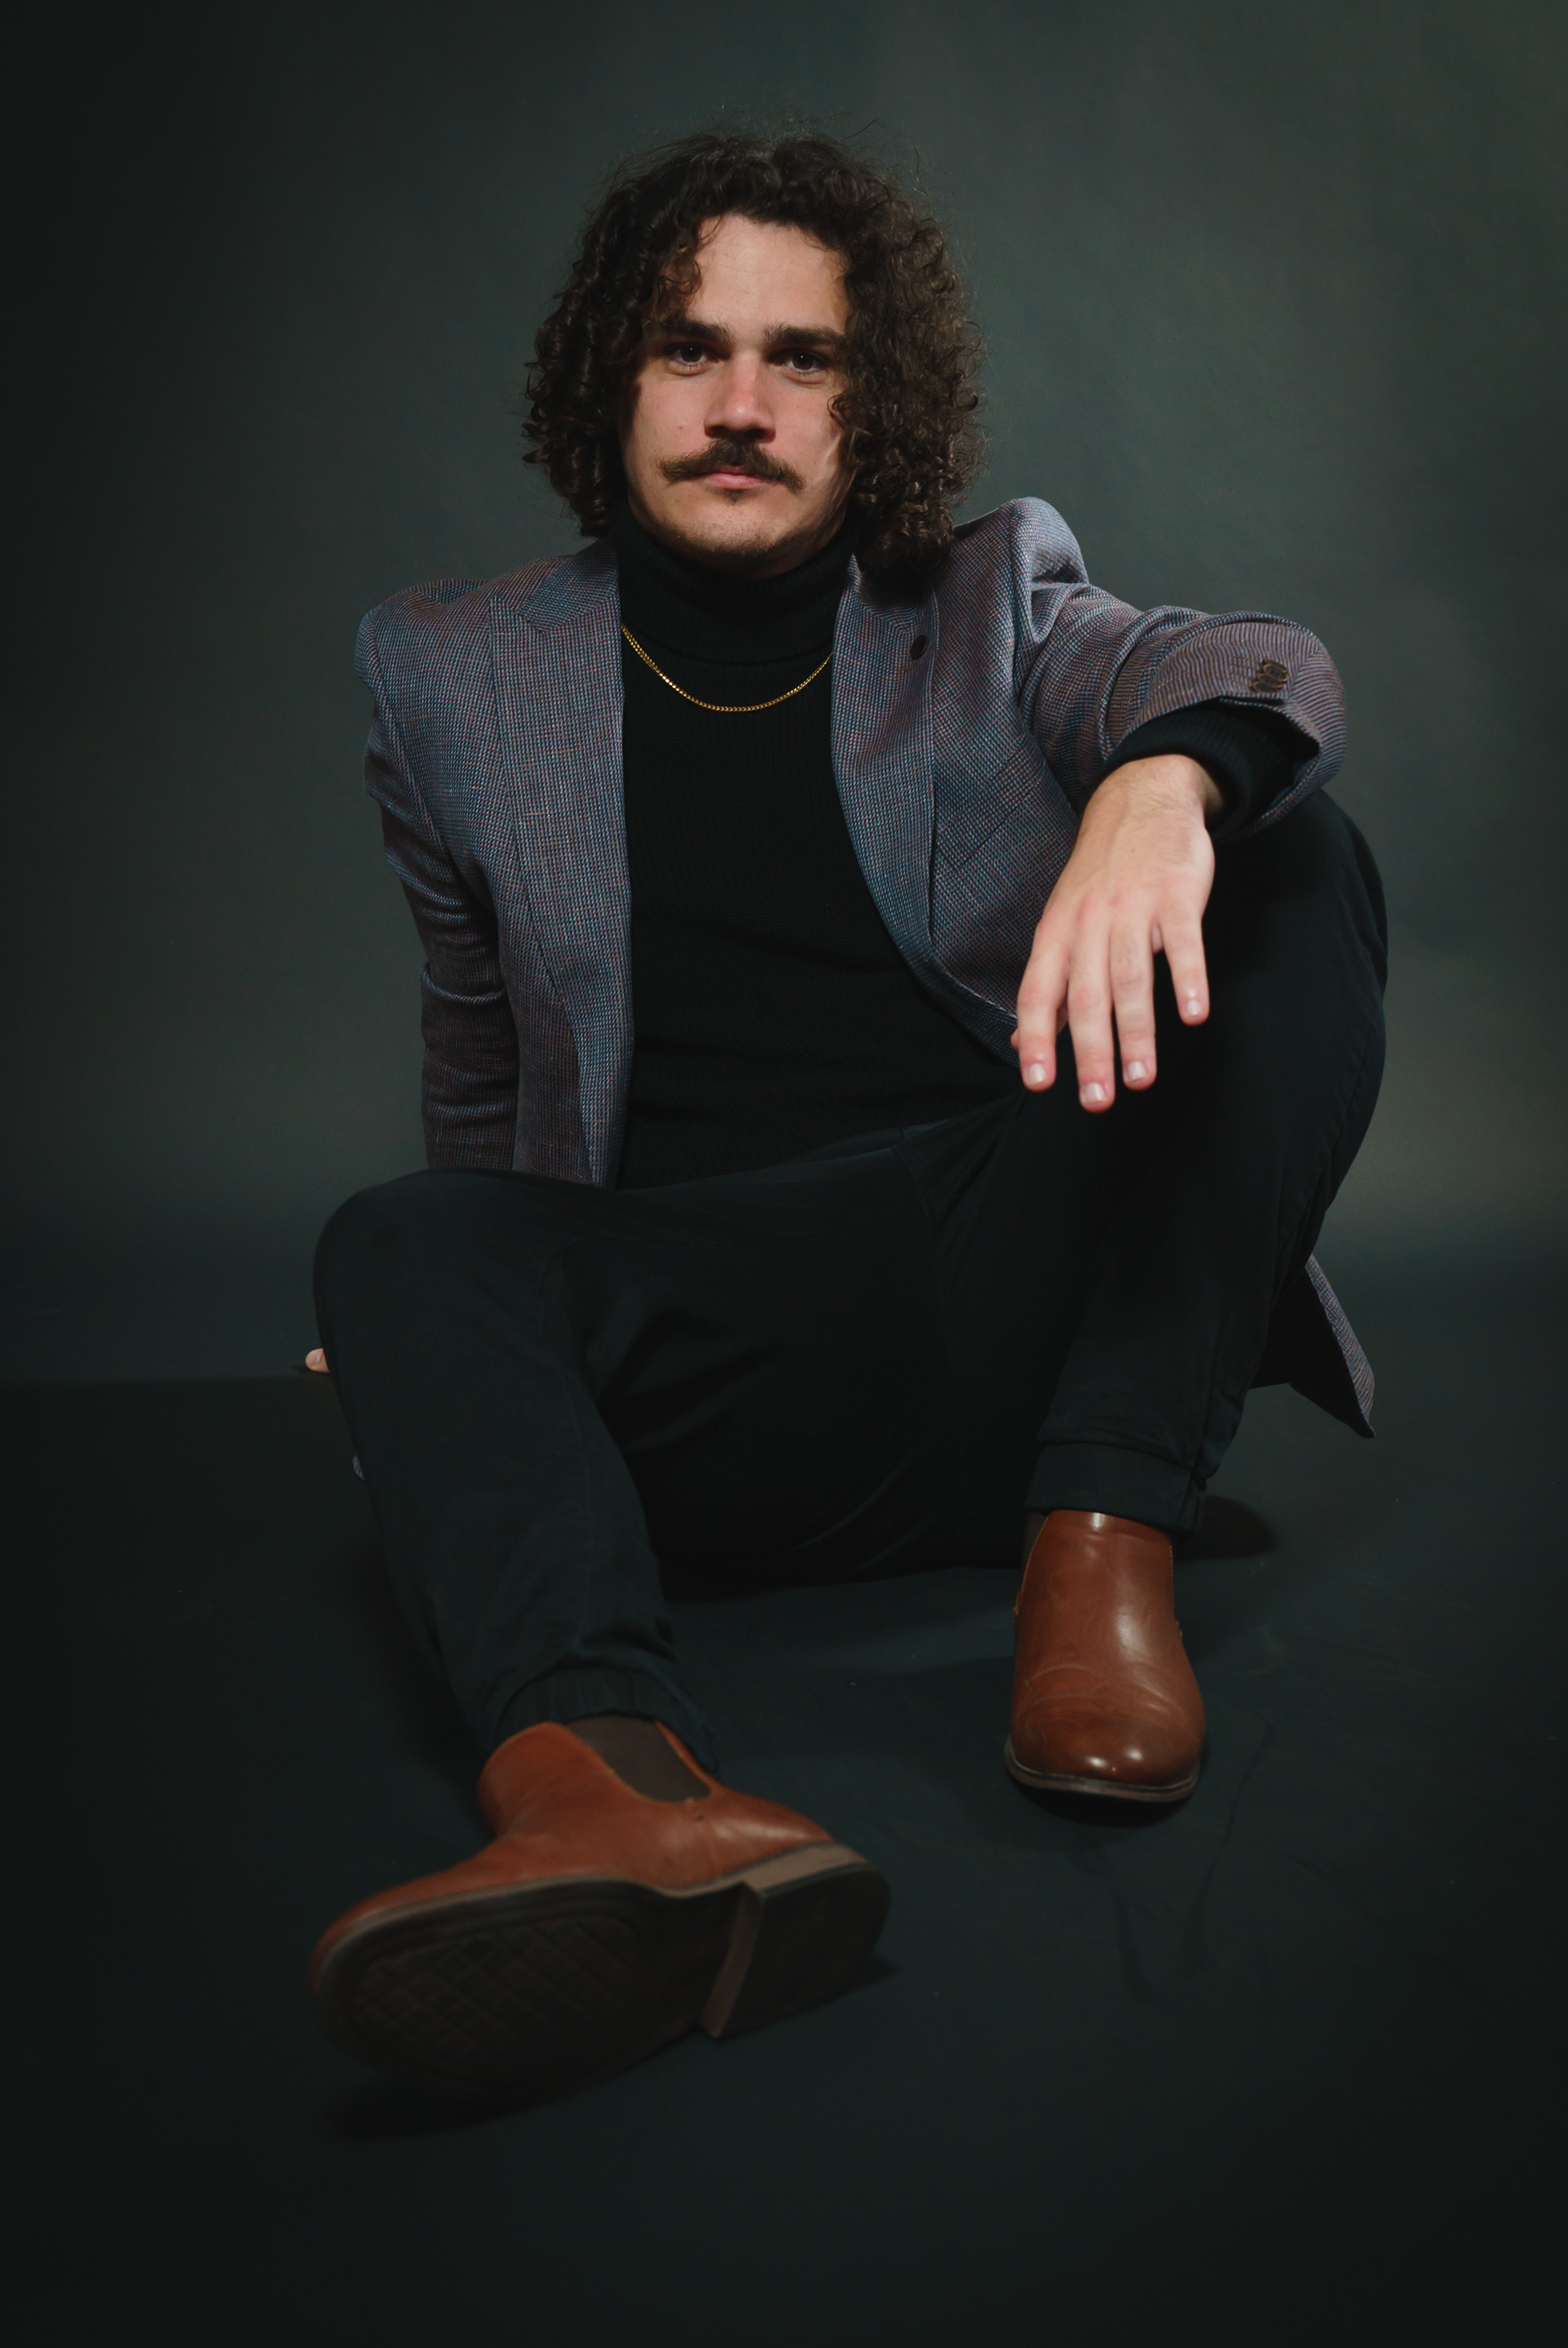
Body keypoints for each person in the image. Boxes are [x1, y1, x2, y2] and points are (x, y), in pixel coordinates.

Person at [305, 131, 1387, 2106]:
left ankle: (1102, 1536)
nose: (740, 404)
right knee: (393, 1238)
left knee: (1299, 851)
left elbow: (1255, 668)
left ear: (870, 403)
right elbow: (480, 1057)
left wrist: (1159, 786)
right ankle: (618, 1801)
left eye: (800, 358)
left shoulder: (987, 599)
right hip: (711, 1367)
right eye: (689, 348)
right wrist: (450, 1356)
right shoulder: (449, 670)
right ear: (609, 378)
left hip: (1016, 1295)